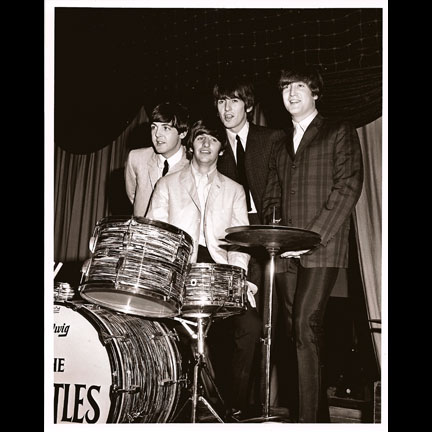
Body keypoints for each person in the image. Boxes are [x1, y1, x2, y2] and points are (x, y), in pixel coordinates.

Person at [262, 65, 364, 423]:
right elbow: (273, 195)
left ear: (315, 92)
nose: (292, 93)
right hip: (285, 251)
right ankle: (316, 417)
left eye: (300, 86)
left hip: (322, 246)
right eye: (286, 86)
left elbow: (348, 186)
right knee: (296, 333)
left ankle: (308, 424)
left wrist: (312, 238)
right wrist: (276, 237)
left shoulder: (338, 130)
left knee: (305, 324)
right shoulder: (278, 142)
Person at [146, 116, 262, 421]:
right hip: (178, 270)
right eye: (200, 138)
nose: (206, 144)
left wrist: (239, 279)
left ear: (222, 148)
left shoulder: (235, 190)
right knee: (189, 335)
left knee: (249, 327)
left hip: (220, 271)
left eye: (213, 139)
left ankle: (231, 406)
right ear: (191, 145)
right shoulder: (167, 184)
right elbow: (156, 234)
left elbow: (239, 242)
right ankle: (187, 402)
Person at [213, 76, 287, 311]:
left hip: (267, 233)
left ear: (249, 105)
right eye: (221, 101)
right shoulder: (211, 146)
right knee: (242, 319)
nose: (226, 108)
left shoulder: (272, 139)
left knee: (274, 311)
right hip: (231, 238)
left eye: (234, 100)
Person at [125, 101, 190, 217]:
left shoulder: (193, 164)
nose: (157, 134)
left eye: (165, 128)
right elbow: (133, 197)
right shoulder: (136, 158)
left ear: (182, 133)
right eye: (154, 127)